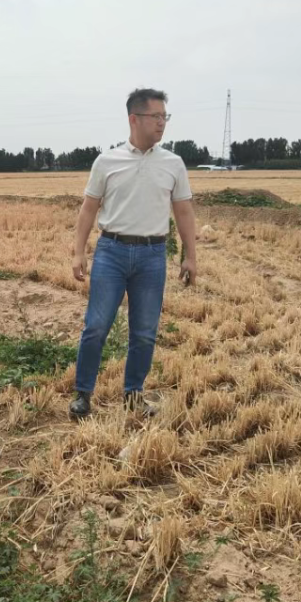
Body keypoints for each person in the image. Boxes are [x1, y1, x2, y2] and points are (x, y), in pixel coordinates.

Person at [69, 88, 197, 419]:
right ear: (134, 119)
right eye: (156, 116)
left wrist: (190, 255)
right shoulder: (107, 161)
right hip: (111, 252)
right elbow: (88, 209)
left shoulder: (173, 164)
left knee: (144, 332)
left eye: (165, 117)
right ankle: (83, 394)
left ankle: (133, 395)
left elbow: (184, 212)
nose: (162, 123)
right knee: (96, 326)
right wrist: (78, 252)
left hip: (152, 255)